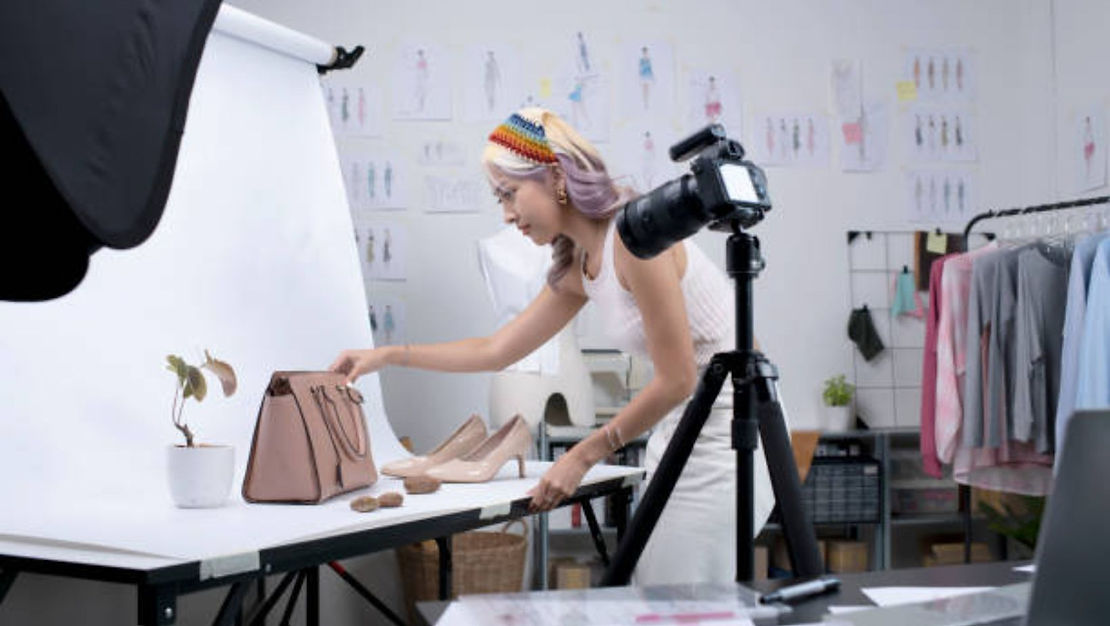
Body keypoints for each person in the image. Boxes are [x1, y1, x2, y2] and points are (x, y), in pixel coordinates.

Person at [329, 108, 777, 584]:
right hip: (680, 422)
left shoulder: (634, 238)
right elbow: (495, 350)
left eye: (509, 193)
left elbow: (679, 377)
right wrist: (388, 355)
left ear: (556, 177)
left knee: (680, 597)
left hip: (728, 426)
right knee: (661, 591)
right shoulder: (580, 263)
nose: (505, 213)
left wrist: (582, 455)